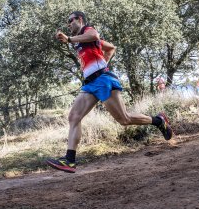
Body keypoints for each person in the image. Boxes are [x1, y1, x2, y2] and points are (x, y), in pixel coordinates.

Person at [46, 11, 173, 173]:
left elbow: (94, 35)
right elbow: (111, 48)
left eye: (70, 20)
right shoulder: (80, 42)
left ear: (80, 19)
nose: (68, 24)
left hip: (103, 80)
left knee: (124, 119)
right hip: (90, 84)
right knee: (74, 117)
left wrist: (70, 39)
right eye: (67, 22)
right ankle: (69, 160)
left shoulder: (87, 31)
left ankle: (159, 121)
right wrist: (98, 62)